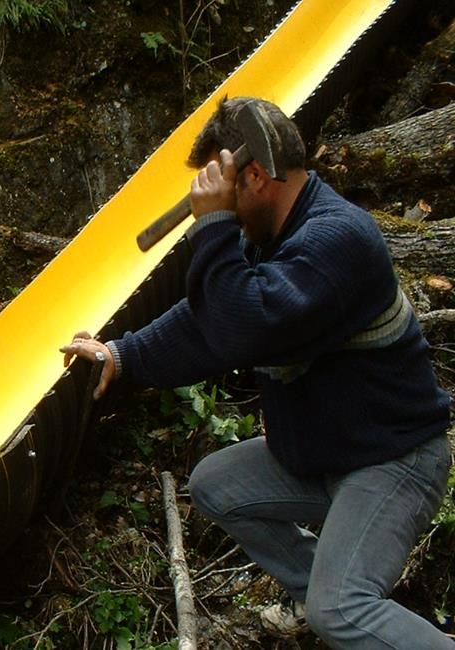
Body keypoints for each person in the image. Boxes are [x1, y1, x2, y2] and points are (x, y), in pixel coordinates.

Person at [60, 96, 453, 649]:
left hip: (393, 460)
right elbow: (208, 322)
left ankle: (345, 607)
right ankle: (324, 593)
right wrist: (122, 356)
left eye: (225, 191)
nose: (223, 207)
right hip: (327, 454)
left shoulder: (336, 240)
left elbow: (245, 324)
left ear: (254, 176)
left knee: (339, 608)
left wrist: (214, 225)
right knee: (217, 486)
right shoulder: (274, 238)